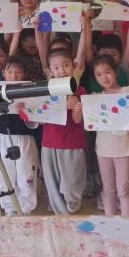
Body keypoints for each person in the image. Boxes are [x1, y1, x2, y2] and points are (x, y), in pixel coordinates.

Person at [0, 57, 40, 216]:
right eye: (10, 72)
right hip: (3, 138)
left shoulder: (31, 91)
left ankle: (26, 209)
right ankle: (9, 209)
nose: (14, 76)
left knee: (26, 173)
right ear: (3, 73)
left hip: (25, 139)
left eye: (18, 72)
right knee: (5, 174)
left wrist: (28, 113)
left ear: (24, 74)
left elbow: (37, 120)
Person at [91, 54, 129, 217]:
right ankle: (110, 222)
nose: (104, 77)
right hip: (104, 149)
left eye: (107, 72)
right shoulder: (95, 98)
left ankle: (126, 222)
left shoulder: (127, 91)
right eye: (98, 74)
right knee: (108, 189)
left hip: (125, 148)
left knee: (124, 188)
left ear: (116, 72)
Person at [40, 48, 87, 215]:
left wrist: (76, 105)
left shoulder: (80, 91)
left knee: (71, 183)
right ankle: (59, 213)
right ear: (50, 71)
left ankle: (72, 208)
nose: (61, 71)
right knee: (52, 182)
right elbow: (40, 119)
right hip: (49, 143)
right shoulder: (45, 90)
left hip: (72, 144)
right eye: (56, 67)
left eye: (65, 65)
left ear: (73, 66)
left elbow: (77, 120)